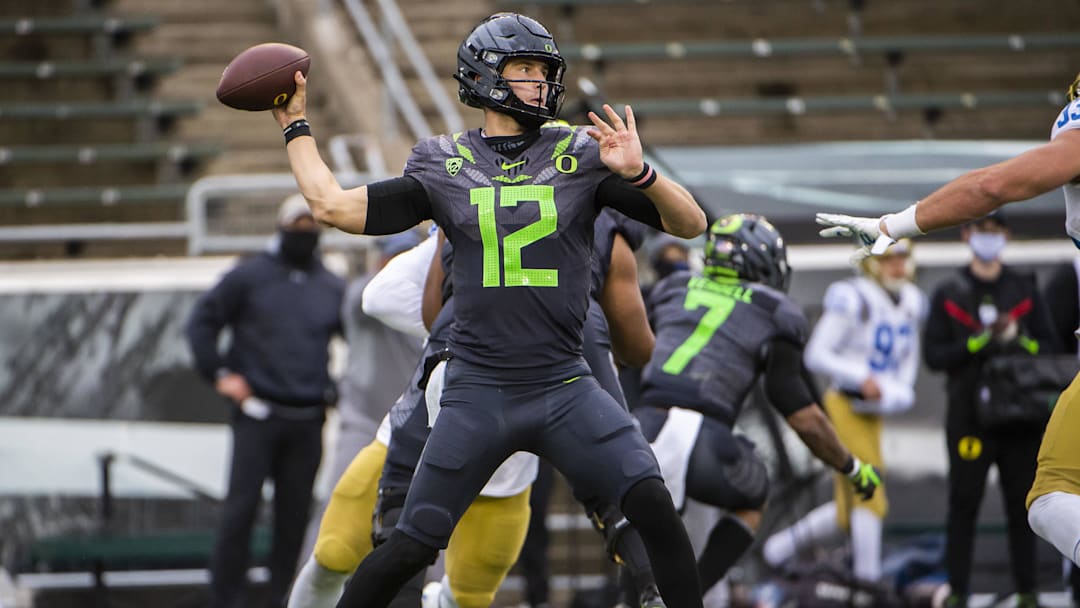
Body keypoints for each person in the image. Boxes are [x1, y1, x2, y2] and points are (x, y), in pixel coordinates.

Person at [266, 11, 708, 606]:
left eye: (544, 70)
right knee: (409, 546)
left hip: (563, 381)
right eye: (525, 69)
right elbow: (330, 208)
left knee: (652, 501)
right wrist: (296, 125)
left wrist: (644, 173)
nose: (541, 82)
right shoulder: (442, 162)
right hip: (478, 388)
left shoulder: (580, 154)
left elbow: (692, 223)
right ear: (486, 77)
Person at [815, 71, 1080, 571]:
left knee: (1050, 498)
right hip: (889, 406)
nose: (897, 266)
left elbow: (992, 185)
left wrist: (892, 225)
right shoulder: (875, 295)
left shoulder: (913, 298)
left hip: (907, 405)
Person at [635, 213, 883, 598]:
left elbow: (629, 348)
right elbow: (800, 414)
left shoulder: (673, 287)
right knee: (753, 492)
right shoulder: (774, 310)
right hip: (703, 439)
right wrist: (850, 467)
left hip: (641, 427)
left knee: (640, 553)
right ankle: (687, 594)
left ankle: (650, 593)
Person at [186, 194, 345, 608]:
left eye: (312, 225)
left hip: (308, 418)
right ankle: (225, 599)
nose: (305, 232)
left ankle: (284, 599)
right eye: (298, 224)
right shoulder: (250, 275)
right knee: (239, 513)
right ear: (281, 226)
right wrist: (220, 374)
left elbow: (358, 339)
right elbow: (202, 322)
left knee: (293, 522)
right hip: (258, 414)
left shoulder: (331, 286)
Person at [762, 239, 926, 584]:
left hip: (875, 410)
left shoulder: (912, 300)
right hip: (846, 404)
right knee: (869, 490)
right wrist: (859, 377)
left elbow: (907, 362)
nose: (897, 265)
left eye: (902, 257)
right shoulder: (853, 296)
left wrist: (896, 391)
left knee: (847, 508)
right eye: (888, 258)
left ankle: (777, 550)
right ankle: (868, 580)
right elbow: (817, 354)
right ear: (872, 262)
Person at [920, 212, 1055, 608]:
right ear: (966, 235)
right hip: (969, 418)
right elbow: (934, 356)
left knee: (1024, 504)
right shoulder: (949, 292)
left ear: (1007, 235)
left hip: (1019, 418)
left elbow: (1048, 349)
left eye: (995, 231)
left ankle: (1027, 591)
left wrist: (1019, 338)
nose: (988, 238)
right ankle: (958, 590)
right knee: (963, 504)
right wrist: (977, 343)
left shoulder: (1025, 288)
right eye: (981, 231)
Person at [298, 230, 427, 560]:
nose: (396, 264)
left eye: (406, 256)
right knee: (335, 513)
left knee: (427, 519)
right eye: (391, 257)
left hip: (415, 426)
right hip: (363, 425)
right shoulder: (365, 294)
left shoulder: (430, 298)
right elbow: (371, 297)